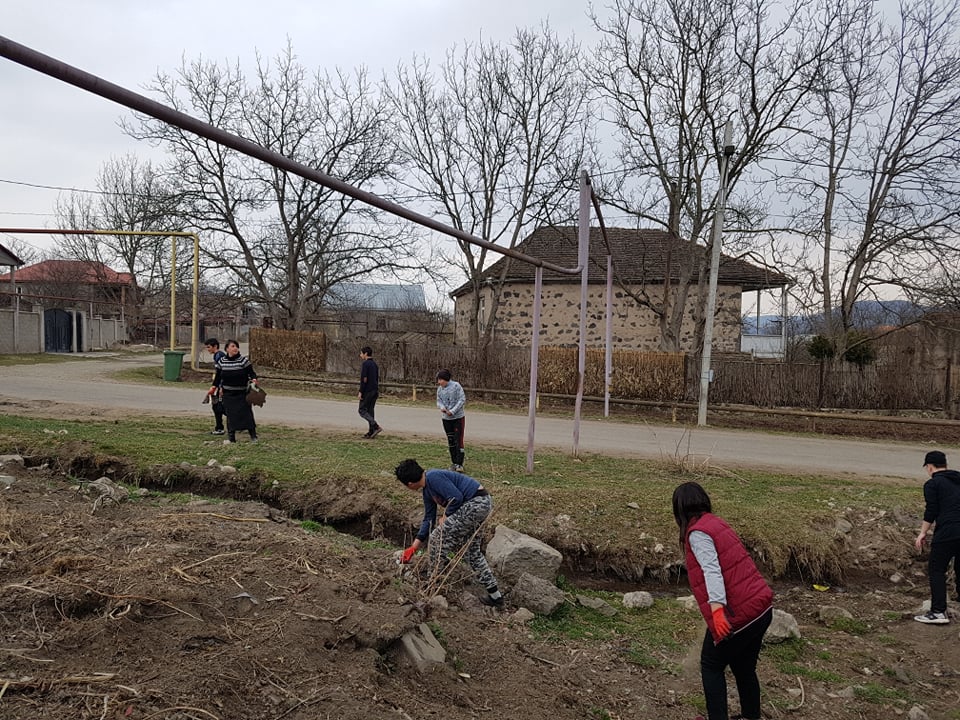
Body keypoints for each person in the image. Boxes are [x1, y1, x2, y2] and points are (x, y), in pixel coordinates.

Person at [672, 481, 773, 720]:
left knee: (711, 664)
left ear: (680, 509)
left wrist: (717, 611)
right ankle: (751, 716)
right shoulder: (716, 523)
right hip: (761, 608)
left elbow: (712, 571)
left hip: (738, 615)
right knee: (744, 667)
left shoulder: (697, 533)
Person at [395, 458, 504, 608]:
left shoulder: (433, 477)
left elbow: (456, 497)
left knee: (436, 538)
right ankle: (496, 596)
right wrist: (414, 547)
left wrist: (446, 516)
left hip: (476, 503)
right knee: (471, 553)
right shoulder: (427, 490)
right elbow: (428, 519)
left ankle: (431, 586)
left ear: (409, 484)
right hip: (478, 506)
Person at [914, 450, 960, 625]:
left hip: (948, 531)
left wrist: (923, 533)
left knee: (937, 569)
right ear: (945, 465)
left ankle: (938, 611)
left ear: (929, 467)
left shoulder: (933, 484)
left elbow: (931, 510)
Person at [209, 339, 259, 443]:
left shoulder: (243, 361)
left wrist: (254, 380)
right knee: (231, 415)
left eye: (236, 346)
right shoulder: (222, 362)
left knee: (247, 414)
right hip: (228, 394)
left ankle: (253, 436)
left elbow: (252, 373)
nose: (235, 348)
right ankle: (231, 437)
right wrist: (213, 387)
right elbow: (218, 377)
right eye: (232, 346)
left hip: (242, 393)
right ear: (227, 349)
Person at [436, 369, 466, 471]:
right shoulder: (440, 389)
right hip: (446, 419)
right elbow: (438, 401)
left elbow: (462, 400)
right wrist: (442, 408)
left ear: (446, 379)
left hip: (457, 418)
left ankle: (459, 464)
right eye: (438, 380)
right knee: (451, 440)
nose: (439, 382)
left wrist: (452, 411)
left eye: (440, 380)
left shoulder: (456, 386)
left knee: (458, 440)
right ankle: (454, 462)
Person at [203, 338, 226, 435]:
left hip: (223, 386)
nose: (208, 349)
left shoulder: (219, 356)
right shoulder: (217, 355)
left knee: (219, 407)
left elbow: (223, 372)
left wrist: (221, 386)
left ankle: (220, 428)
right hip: (220, 385)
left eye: (209, 347)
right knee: (217, 406)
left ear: (215, 346)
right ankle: (219, 427)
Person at [358, 346, 382, 439]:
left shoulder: (366, 364)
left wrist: (361, 391)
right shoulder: (375, 365)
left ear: (366, 354)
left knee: (362, 410)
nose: (360, 355)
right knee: (370, 411)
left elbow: (364, 379)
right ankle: (371, 431)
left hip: (367, 391)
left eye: (361, 353)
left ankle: (375, 426)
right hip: (375, 390)